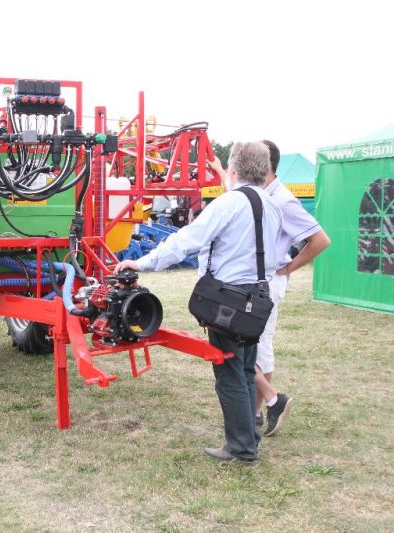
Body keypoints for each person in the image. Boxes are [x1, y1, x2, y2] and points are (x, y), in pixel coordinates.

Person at [115, 142, 282, 464]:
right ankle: (249, 441)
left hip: (230, 299)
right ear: (264, 170)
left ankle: (241, 449)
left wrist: (143, 263)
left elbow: (187, 240)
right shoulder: (270, 204)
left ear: (232, 170)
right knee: (246, 370)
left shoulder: (229, 203)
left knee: (231, 373)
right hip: (260, 295)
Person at [251, 140, 330, 436]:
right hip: (262, 281)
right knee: (258, 348)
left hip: (269, 281)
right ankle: (258, 410)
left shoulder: (282, 200)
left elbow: (320, 240)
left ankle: (271, 402)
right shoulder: (264, 195)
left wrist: (288, 267)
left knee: (252, 348)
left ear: (266, 165)